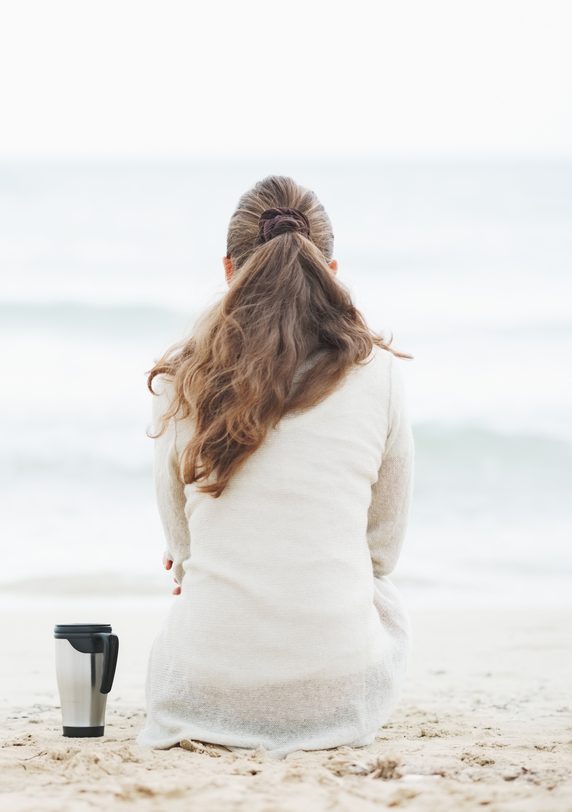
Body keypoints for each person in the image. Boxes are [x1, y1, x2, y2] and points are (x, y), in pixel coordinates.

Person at [137, 175, 413, 757]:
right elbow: (382, 554)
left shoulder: (180, 380)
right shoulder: (381, 375)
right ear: (330, 272)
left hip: (202, 696)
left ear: (231, 269)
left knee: (200, 592)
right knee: (377, 593)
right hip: (339, 698)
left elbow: (183, 555)